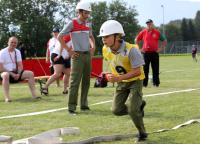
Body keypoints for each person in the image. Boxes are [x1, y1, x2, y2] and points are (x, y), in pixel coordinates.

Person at [99, 20, 147, 142]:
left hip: (135, 81)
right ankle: (138, 106)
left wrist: (118, 78)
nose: (103, 40)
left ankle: (142, 133)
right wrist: (108, 75)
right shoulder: (105, 49)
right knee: (116, 110)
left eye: (106, 36)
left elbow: (138, 71)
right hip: (121, 82)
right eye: (102, 37)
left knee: (132, 109)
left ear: (117, 36)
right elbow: (112, 64)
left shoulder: (132, 50)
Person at [58, 1, 95, 115]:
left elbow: (91, 36)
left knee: (86, 82)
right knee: (74, 82)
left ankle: (84, 105)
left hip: (87, 55)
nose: (88, 15)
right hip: (77, 56)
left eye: (89, 12)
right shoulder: (72, 23)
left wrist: (93, 47)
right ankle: (71, 108)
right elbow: (60, 37)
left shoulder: (88, 24)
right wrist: (69, 50)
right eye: (86, 12)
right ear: (79, 11)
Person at [0, 36, 41, 102]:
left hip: (16, 72)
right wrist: (12, 74)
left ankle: (34, 96)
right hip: (5, 72)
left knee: (30, 73)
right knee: (5, 75)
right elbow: (1, 68)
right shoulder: (2, 52)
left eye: (15, 43)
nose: (13, 44)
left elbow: (20, 66)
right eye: (12, 42)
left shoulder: (17, 52)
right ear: (8, 43)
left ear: (17, 44)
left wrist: (18, 74)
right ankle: (7, 98)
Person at [135, 19, 167, 87]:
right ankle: (144, 84)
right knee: (145, 69)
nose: (149, 25)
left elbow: (164, 40)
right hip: (146, 53)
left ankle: (156, 83)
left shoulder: (157, 32)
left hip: (154, 53)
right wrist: (139, 49)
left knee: (155, 69)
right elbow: (136, 40)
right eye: (147, 24)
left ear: (152, 24)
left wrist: (160, 49)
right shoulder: (143, 32)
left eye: (150, 23)